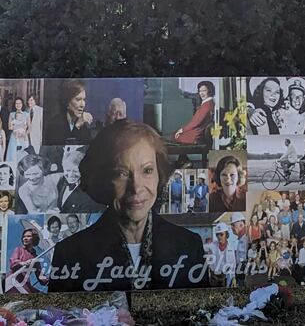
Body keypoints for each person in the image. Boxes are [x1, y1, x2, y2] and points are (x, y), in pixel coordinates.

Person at [48, 120, 207, 292]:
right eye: (121, 173)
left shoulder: (190, 246)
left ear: (159, 176)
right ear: (102, 179)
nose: (136, 188)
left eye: (147, 171)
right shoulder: (69, 255)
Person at [47, 79, 99, 146]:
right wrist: (77, 126)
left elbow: (88, 149)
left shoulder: (83, 125)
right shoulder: (55, 124)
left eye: (84, 99)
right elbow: (62, 151)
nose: (82, 104)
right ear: (67, 101)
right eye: (78, 99)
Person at [52, 145, 98, 213]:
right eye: (67, 170)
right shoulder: (61, 182)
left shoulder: (89, 193)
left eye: (75, 171)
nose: (70, 175)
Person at [6, 223, 47, 294]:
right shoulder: (18, 249)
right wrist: (23, 263)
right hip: (14, 280)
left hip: (24, 283)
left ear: (34, 238)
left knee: (41, 294)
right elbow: (13, 263)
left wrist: (50, 280)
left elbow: (40, 277)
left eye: (28, 236)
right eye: (24, 236)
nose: (25, 238)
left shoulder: (35, 257)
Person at [172, 80, 215, 145]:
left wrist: (182, 130)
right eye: (200, 91)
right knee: (175, 134)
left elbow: (196, 122)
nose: (201, 93)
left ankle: (183, 155)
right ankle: (183, 155)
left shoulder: (207, 105)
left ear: (210, 91)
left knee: (175, 136)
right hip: (198, 131)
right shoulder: (209, 103)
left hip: (197, 135)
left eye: (204, 91)